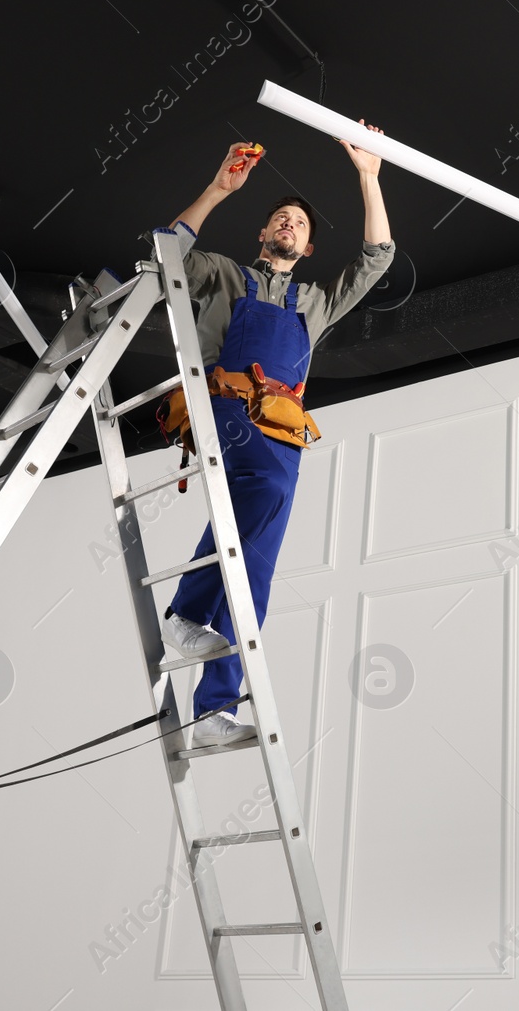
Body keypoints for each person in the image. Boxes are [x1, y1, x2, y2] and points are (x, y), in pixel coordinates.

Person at [159, 132, 394, 746]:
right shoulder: (225, 275)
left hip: (281, 431)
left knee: (255, 570)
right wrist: (220, 188)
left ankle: (214, 711)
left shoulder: (315, 302)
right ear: (263, 234)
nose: (287, 224)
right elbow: (170, 254)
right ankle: (184, 613)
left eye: (297, 223)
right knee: (260, 491)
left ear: (308, 246)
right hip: (224, 410)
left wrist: (369, 175)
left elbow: (377, 258)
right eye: (278, 218)